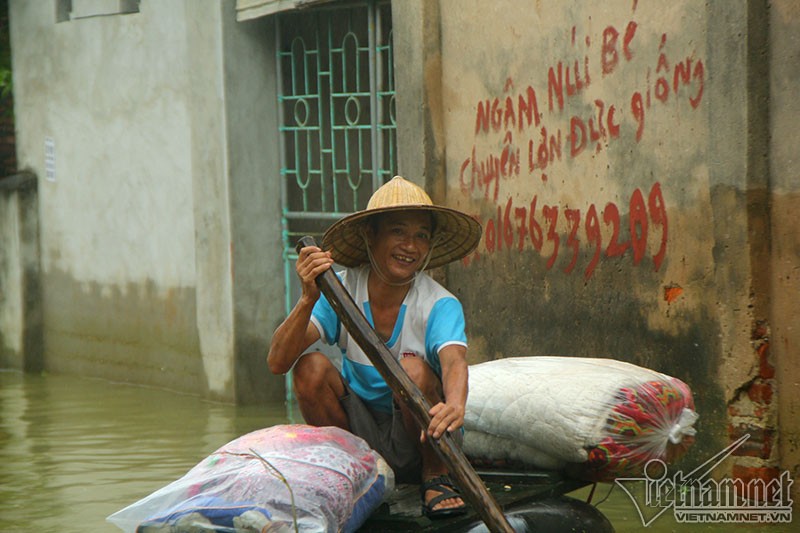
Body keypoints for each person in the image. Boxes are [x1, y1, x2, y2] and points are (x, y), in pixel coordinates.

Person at [267, 176, 482, 519]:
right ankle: (352, 471)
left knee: (411, 368)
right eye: (398, 231)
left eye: (421, 236)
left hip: (423, 440)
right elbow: (278, 362)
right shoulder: (342, 291)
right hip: (362, 435)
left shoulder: (438, 303)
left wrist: (456, 405)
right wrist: (309, 298)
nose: (410, 246)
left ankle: (436, 478)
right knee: (309, 368)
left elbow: (454, 361)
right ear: (372, 235)